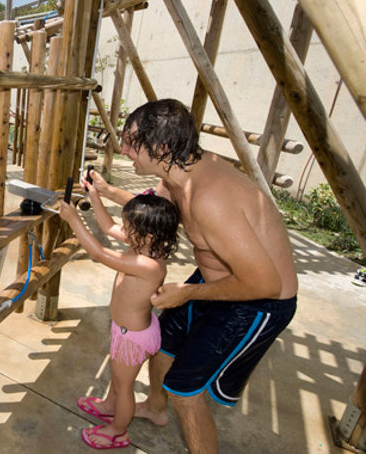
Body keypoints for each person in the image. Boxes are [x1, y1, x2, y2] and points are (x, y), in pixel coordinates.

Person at [92, 99, 298, 453]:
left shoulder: (209, 199)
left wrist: (187, 293)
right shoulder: (177, 172)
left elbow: (264, 283)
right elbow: (151, 214)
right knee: (163, 347)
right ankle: (155, 409)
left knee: (185, 393)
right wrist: (106, 191)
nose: (123, 150)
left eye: (131, 142)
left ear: (161, 148)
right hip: (218, 278)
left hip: (261, 301)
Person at [61, 182, 180, 450]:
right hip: (128, 331)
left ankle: (118, 430)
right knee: (118, 380)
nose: (123, 232)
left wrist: (73, 219)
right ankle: (108, 406)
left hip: (132, 338)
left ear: (147, 235)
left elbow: (98, 252)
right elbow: (107, 227)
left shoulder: (147, 264)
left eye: (129, 228)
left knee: (124, 387)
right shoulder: (145, 246)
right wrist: (95, 196)